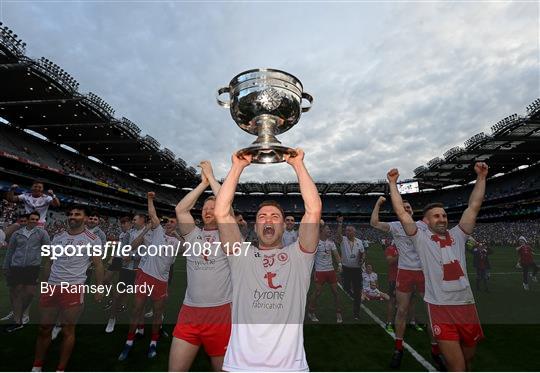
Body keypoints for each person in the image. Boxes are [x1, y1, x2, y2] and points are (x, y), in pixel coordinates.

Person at [214, 148, 321, 371]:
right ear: (256, 226)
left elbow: (313, 211)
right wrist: (237, 167)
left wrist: (298, 165)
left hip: (289, 367)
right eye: (262, 217)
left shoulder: (298, 257)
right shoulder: (241, 256)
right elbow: (222, 214)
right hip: (239, 366)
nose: (268, 220)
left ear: (284, 225)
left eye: (275, 216)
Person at [387, 162, 488, 371]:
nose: (442, 219)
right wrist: (393, 184)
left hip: (467, 306)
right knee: (457, 367)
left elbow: (474, 206)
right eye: (436, 216)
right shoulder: (421, 239)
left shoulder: (459, 235)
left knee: (468, 362)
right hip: (440, 308)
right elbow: (401, 213)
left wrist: (481, 177)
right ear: (426, 221)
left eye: (443, 215)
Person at [168, 160, 232, 372]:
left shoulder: (228, 236)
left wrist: (212, 178)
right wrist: (203, 183)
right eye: (205, 207)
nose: (208, 210)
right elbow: (180, 209)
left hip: (220, 313)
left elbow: (227, 210)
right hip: (189, 312)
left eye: (213, 208)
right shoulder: (193, 235)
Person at [31, 206, 104, 372]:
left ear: (85, 218)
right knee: (43, 328)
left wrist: (99, 287)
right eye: (70, 214)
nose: (72, 216)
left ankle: (60, 369)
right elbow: (49, 262)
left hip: (74, 287)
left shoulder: (92, 238)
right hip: (52, 286)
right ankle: (37, 366)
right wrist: (44, 283)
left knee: (67, 330)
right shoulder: (58, 237)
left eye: (77, 214)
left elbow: (98, 265)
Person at [370, 196, 439, 369]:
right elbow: (374, 223)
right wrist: (378, 203)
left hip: (424, 273)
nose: (407, 209)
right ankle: (398, 349)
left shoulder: (423, 225)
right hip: (405, 272)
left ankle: (435, 350)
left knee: (432, 312)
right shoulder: (394, 226)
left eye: (409, 208)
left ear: (412, 211)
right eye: (404, 208)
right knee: (401, 311)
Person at [118, 192, 179, 360]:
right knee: (137, 309)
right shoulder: (155, 232)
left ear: (177, 225)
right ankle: (129, 341)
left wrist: (177, 235)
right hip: (145, 275)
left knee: (158, 313)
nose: (168, 224)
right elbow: (133, 245)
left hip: (161, 280)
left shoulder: (178, 241)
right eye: (167, 221)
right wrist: (150, 200)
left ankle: (153, 342)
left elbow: (186, 248)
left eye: (173, 222)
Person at [3, 211, 50, 332]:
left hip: (32, 267)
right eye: (32, 219)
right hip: (16, 266)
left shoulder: (42, 233)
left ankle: (19, 313)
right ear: (28, 220)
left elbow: (48, 249)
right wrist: (6, 266)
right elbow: (10, 251)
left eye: (36, 219)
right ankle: (17, 321)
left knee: (30, 293)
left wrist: (49, 262)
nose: (34, 221)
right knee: (16, 292)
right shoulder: (17, 234)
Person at [307, 223, 343, 323]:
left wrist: (339, 264)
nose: (329, 231)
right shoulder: (315, 242)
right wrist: (312, 271)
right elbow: (310, 257)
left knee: (336, 292)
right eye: (327, 229)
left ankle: (338, 313)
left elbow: (336, 255)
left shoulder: (331, 242)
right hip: (320, 271)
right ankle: (311, 311)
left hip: (330, 270)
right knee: (317, 292)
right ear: (321, 230)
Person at [105, 216, 133, 333]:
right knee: (105, 280)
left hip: (127, 262)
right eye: (121, 223)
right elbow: (118, 247)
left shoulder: (133, 234)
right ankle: (114, 299)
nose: (122, 225)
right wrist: (112, 257)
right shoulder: (122, 234)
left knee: (122, 290)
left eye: (124, 223)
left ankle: (114, 315)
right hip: (117, 259)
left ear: (130, 223)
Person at [334, 217, 365, 320]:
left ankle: (356, 313)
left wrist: (362, 259)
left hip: (357, 270)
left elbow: (362, 253)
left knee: (358, 291)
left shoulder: (359, 242)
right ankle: (354, 296)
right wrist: (340, 224)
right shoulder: (343, 240)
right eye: (346, 230)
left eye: (349, 230)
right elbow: (338, 235)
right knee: (346, 287)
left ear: (354, 232)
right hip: (346, 269)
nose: (347, 232)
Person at [384, 239, 398, 332]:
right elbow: (390, 261)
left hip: (407, 278)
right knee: (392, 301)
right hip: (394, 278)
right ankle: (389, 322)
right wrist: (400, 254)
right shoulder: (391, 248)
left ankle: (412, 321)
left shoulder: (408, 248)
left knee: (410, 301)